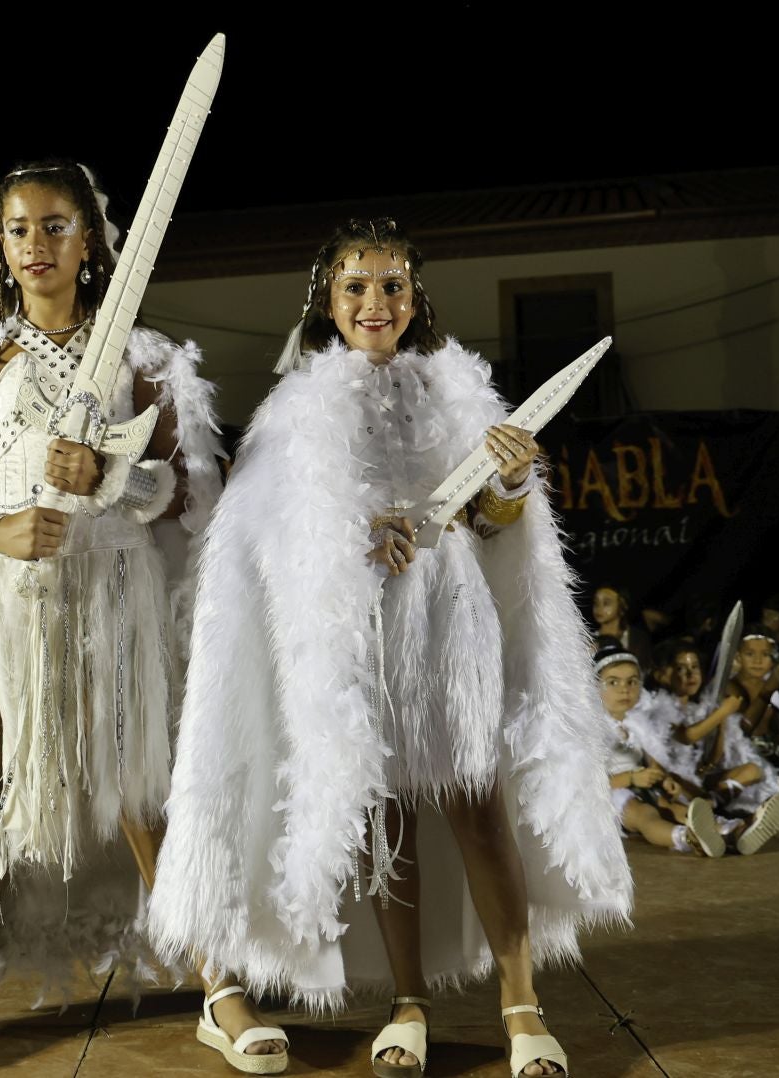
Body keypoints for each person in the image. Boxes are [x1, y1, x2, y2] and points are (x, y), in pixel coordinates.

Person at [147, 219, 631, 1078]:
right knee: (390, 820)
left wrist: (513, 482)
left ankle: (523, 1005)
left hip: (451, 621)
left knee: (479, 808)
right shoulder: (295, 408)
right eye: (356, 287)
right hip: (357, 632)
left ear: (417, 297)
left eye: (393, 285)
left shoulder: (458, 390)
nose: (376, 301)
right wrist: (350, 539)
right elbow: (265, 532)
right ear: (328, 304)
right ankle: (410, 1001)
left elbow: (491, 521)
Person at [0, 160, 239, 1075]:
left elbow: (175, 494)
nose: (38, 244)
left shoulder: (144, 363)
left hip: (112, 596)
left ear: (91, 239)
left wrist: (111, 478)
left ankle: (216, 979)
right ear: (2, 247)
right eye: (20, 229)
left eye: (57, 225)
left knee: (138, 783)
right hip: (4, 604)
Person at [603, 644, 779, 857]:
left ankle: (731, 831)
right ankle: (687, 838)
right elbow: (584, 780)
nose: (624, 689)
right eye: (613, 682)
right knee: (646, 815)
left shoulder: (637, 723)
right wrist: (631, 779)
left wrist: (663, 779)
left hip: (643, 786)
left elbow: (652, 760)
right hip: (611, 793)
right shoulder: (590, 728)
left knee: (676, 810)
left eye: (632, 681)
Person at [669, 629, 779, 811]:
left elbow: (716, 753)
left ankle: (714, 802)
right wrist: (766, 691)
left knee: (755, 771)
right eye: (750, 654)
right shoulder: (727, 687)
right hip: (693, 771)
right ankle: (711, 805)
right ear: (738, 657)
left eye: (765, 655)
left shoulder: (775, 685)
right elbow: (740, 729)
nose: (758, 661)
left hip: (734, 765)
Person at [592, 585, 653, 675]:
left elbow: (645, 669)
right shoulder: (588, 638)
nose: (599, 608)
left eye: (606, 603)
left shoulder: (638, 638)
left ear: (622, 606)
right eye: (596, 603)